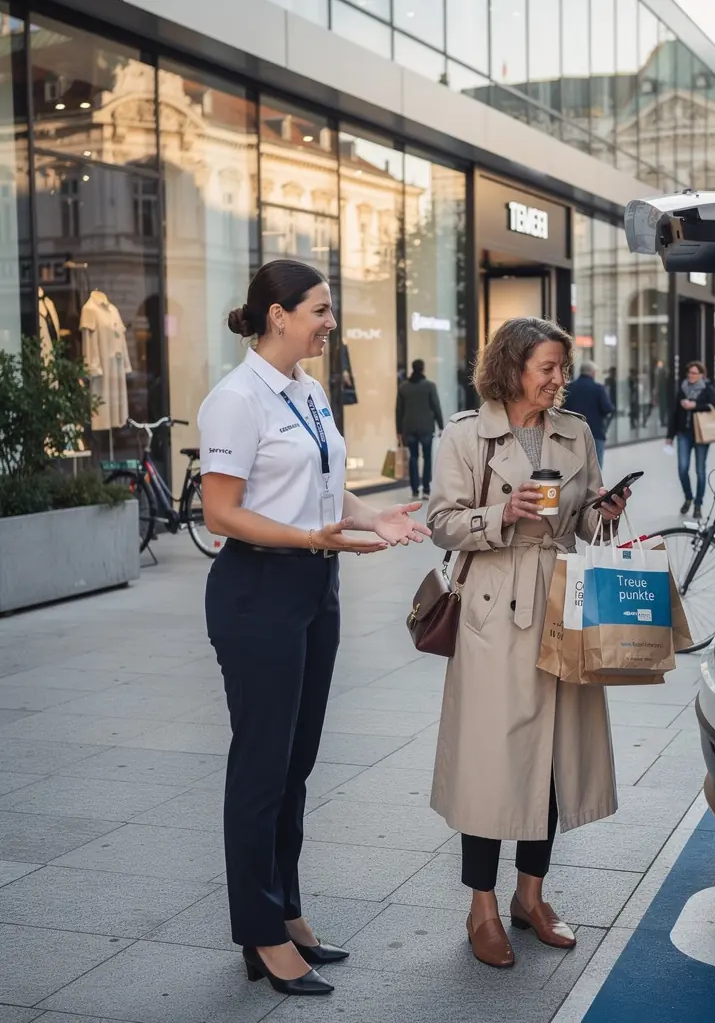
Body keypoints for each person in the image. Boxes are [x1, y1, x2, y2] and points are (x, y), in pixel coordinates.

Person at [199, 260, 430, 997]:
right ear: (278, 315)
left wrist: (374, 517)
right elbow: (221, 513)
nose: (331, 322)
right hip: (258, 588)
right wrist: (311, 541)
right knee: (261, 767)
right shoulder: (235, 400)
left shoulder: (307, 390)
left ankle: (287, 910)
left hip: (313, 585)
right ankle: (261, 932)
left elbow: (327, 488)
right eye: (322, 310)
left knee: (295, 767)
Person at [427, 317, 628, 970]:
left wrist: (607, 510)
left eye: (562, 369)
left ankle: (530, 898)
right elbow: (443, 524)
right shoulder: (466, 435)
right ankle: (480, 907)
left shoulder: (576, 431)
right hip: (493, 609)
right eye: (548, 368)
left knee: (550, 759)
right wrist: (501, 515)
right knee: (491, 763)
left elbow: (588, 519)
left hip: (561, 600)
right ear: (513, 367)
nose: (558, 380)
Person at [666, 360, 715, 519]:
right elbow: (675, 412)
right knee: (682, 468)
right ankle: (689, 496)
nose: (691, 376)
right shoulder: (682, 389)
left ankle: (698, 504)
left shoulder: (708, 389)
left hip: (702, 435)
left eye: (695, 373)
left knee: (700, 471)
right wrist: (670, 436)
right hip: (684, 433)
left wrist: (694, 405)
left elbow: (714, 407)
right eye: (689, 373)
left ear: (701, 374)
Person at [396, 358, 444, 499]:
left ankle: (415, 490)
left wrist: (398, 430)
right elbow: (436, 406)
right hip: (426, 428)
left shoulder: (404, 387)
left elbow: (399, 410)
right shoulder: (429, 386)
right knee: (427, 457)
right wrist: (441, 425)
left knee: (413, 457)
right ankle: (427, 489)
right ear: (422, 369)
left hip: (409, 427)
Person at [562, 359, 614, 467]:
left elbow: (561, 410)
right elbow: (607, 408)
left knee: (575, 468)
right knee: (596, 470)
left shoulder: (568, 388)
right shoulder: (598, 389)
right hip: (595, 434)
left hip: (573, 435)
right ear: (593, 373)